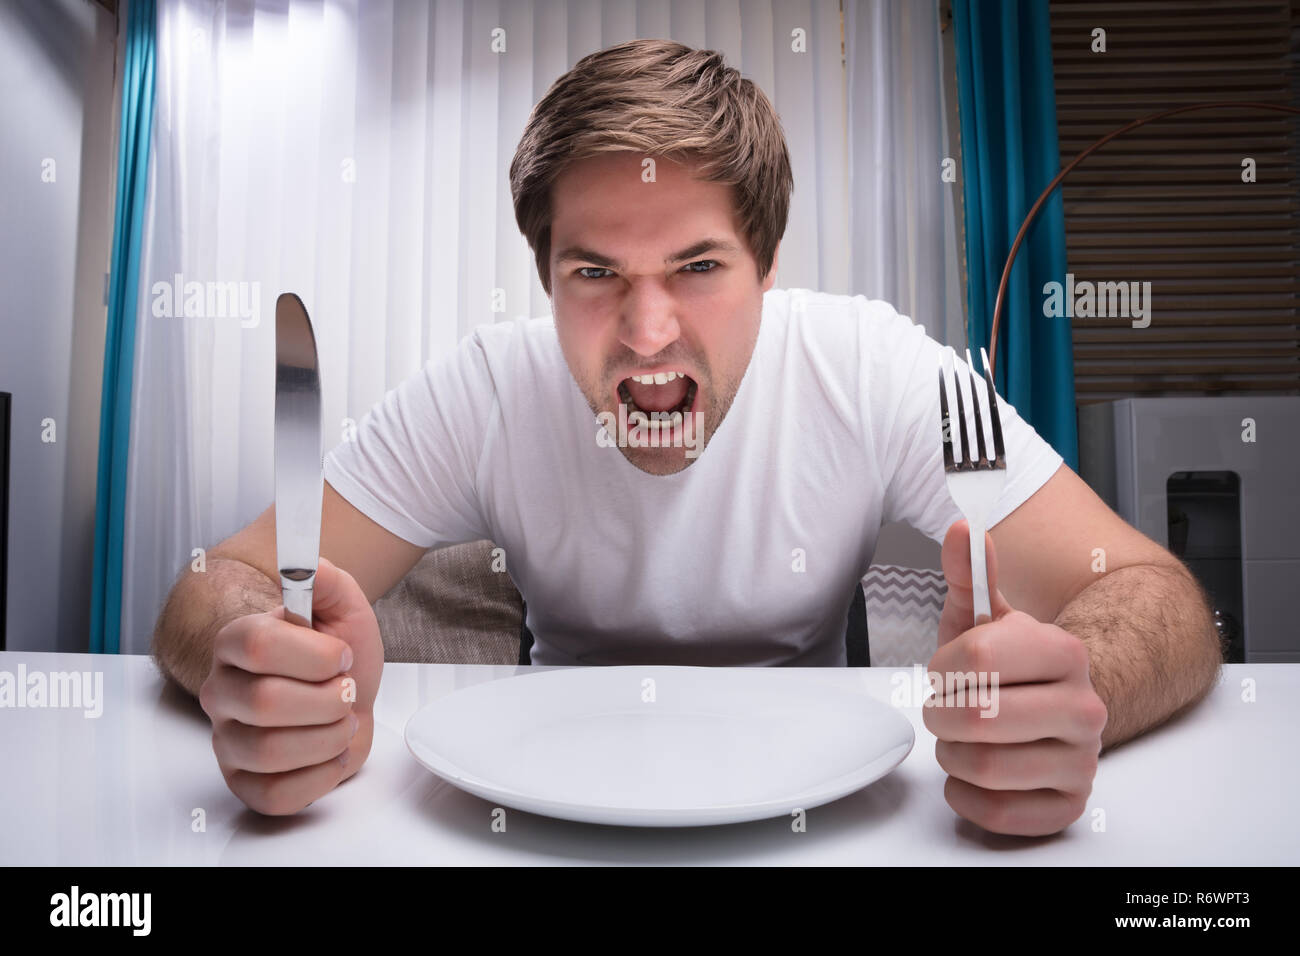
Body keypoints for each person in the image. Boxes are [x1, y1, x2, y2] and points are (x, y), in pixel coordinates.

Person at [153, 38, 1222, 835]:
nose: (647, 333)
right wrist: (263, 665)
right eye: (595, 273)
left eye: (699, 268)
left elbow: (1153, 589)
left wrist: (1073, 684)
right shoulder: (484, 386)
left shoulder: (881, 365)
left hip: (826, 822)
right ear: (545, 278)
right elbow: (220, 583)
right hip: (538, 819)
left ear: (766, 268)